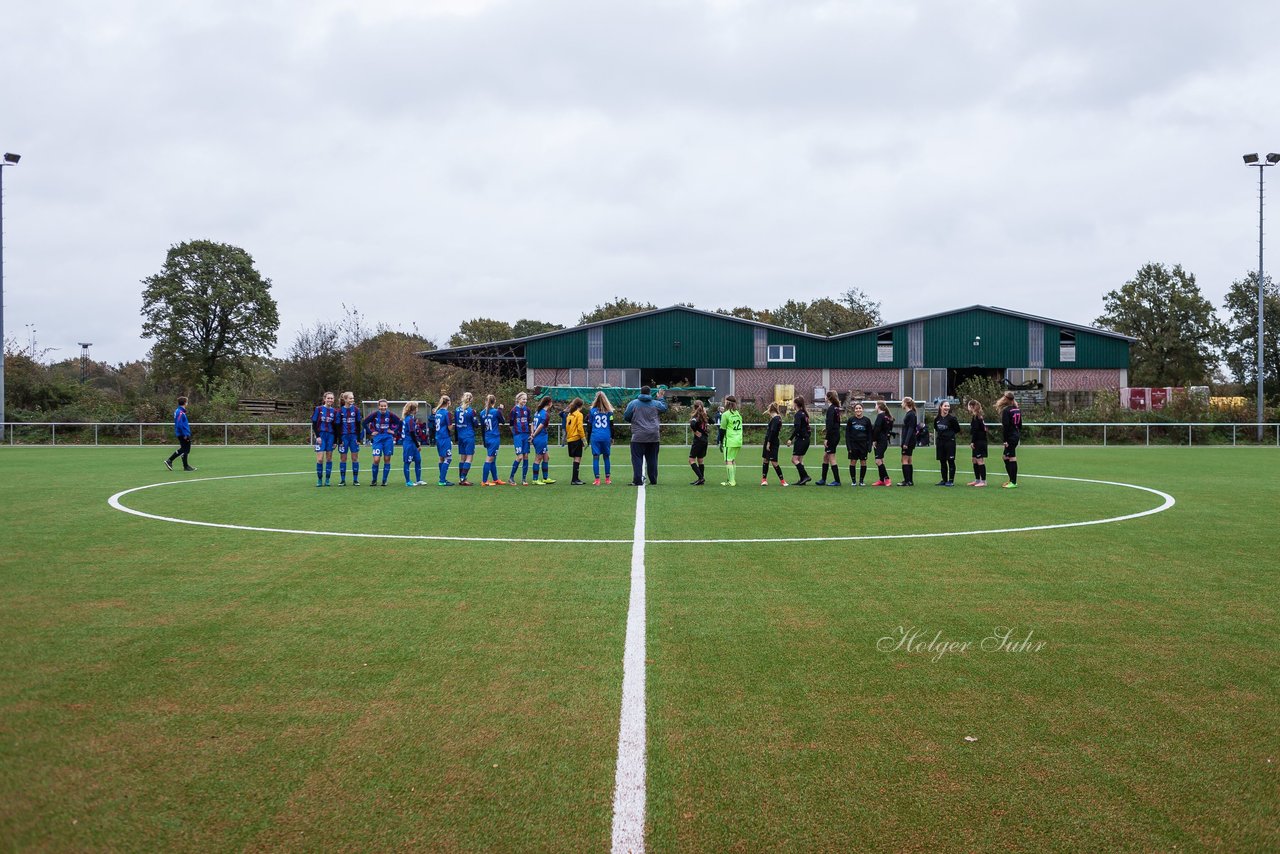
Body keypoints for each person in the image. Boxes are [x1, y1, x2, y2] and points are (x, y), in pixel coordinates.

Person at [623, 386, 667, 485]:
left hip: (638, 436)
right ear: (650, 393)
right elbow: (664, 408)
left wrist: (634, 421)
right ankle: (653, 479)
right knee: (652, 459)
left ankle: (637, 480)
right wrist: (660, 397)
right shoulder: (656, 403)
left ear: (641, 392)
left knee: (637, 458)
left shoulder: (633, 403)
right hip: (653, 435)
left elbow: (626, 416)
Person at [362, 399, 401, 486]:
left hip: (388, 439)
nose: (383, 407)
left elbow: (400, 422)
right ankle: (374, 480)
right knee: (376, 459)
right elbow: (364, 422)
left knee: (387, 459)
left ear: (387, 406)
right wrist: (370, 432)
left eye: (385, 406)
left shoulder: (390, 415)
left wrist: (394, 431)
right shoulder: (375, 414)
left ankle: (384, 480)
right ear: (378, 406)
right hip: (377, 439)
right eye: (381, 406)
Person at [311, 391, 339, 487]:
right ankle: (319, 479)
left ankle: (327, 479)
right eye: (328, 398)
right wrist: (318, 436)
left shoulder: (335, 412)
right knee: (320, 459)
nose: (330, 400)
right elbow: (314, 424)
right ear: (324, 399)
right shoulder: (318, 409)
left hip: (330, 436)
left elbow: (336, 427)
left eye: (331, 398)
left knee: (329, 458)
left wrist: (335, 441)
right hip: (321, 436)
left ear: (333, 400)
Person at [336, 391, 363, 486]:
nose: (352, 400)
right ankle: (342, 480)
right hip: (344, 437)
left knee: (355, 458)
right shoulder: (339, 411)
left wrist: (359, 438)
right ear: (345, 399)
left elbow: (358, 425)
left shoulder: (356, 410)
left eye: (353, 398)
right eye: (350, 398)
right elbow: (338, 426)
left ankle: (355, 480)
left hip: (353, 437)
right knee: (343, 458)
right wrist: (339, 440)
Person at [588, 391, 614, 485]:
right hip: (606, 436)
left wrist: (588, 439)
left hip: (595, 436)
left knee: (596, 457)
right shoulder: (609, 412)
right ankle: (607, 479)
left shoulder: (592, 411)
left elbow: (590, 426)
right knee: (606, 457)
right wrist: (612, 437)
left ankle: (597, 480)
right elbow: (611, 425)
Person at [164, 396, 196, 472]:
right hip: (183, 434)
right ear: (185, 403)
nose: (187, 403)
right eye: (187, 402)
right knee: (185, 449)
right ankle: (170, 460)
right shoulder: (180, 412)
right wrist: (185, 434)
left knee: (185, 450)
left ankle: (185, 466)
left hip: (182, 433)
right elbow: (179, 424)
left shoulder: (179, 411)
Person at [997, 391, 1022, 489]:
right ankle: (1011, 480)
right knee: (1005, 457)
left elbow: (1006, 427)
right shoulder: (1017, 410)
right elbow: (1020, 425)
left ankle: (1013, 482)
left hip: (1010, 437)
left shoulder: (1006, 411)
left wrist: (1005, 440)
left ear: (1006, 399)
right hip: (1015, 435)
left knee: (1011, 457)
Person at [480, 394, 506, 485]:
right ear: (494, 402)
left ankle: (495, 479)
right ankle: (484, 481)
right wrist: (501, 410)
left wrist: (484, 440)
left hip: (487, 437)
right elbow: (503, 421)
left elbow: (482, 428)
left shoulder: (482, 413)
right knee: (489, 459)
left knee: (493, 458)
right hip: (494, 438)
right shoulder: (496, 411)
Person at [933, 400, 961, 486]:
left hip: (950, 443)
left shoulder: (952, 419)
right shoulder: (937, 419)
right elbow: (936, 428)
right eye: (945, 406)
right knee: (942, 461)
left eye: (948, 406)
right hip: (940, 443)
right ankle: (944, 480)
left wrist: (949, 435)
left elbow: (957, 429)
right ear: (941, 407)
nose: (947, 408)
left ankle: (951, 480)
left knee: (951, 461)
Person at [786, 396, 812, 485]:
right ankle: (802, 479)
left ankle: (805, 476)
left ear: (796, 404)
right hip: (806, 439)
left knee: (794, 459)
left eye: (793, 403)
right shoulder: (804, 413)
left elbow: (797, 428)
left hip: (801, 439)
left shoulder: (798, 414)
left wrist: (790, 439)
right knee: (800, 460)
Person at [845, 401, 872, 486]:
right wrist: (849, 447)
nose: (858, 410)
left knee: (863, 462)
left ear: (862, 409)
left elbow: (870, 434)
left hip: (863, 445)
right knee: (853, 462)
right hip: (853, 445)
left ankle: (861, 481)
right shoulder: (851, 420)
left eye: (860, 408)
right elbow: (847, 435)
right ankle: (853, 481)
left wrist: (869, 445)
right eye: (856, 408)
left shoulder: (867, 421)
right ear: (854, 410)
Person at [718, 395, 743, 486]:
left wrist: (720, 441)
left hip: (730, 440)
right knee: (732, 460)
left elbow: (722, 429)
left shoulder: (725, 414)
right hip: (738, 440)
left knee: (728, 460)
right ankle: (731, 479)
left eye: (725, 401)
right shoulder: (738, 414)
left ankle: (731, 481)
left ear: (728, 403)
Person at [454, 392, 479, 486]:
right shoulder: (471, 411)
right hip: (468, 436)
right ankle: (463, 478)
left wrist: (456, 437)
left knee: (462, 458)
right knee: (469, 457)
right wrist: (475, 416)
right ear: (471, 400)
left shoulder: (457, 410)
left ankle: (461, 478)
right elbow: (476, 425)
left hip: (460, 436)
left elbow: (456, 424)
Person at [531, 395, 556, 484]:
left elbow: (532, 424)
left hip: (539, 437)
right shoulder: (545, 414)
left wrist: (532, 433)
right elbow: (541, 426)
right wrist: (533, 435)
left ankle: (545, 478)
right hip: (540, 438)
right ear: (549, 403)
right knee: (538, 458)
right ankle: (535, 479)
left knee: (546, 457)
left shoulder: (538, 412)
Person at [818, 390, 842, 486]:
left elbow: (831, 424)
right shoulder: (836, 408)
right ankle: (823, 479)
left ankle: (837, 480)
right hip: (835, 434)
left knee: (831, 456)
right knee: (825, 456)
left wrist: (827, 438)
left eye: (825, 396)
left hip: (832, 436)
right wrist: (826, 428)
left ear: (828, 398)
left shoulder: (832, 409)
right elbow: (836, 423)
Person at [508, 392, 532, 485]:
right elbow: (510, 424)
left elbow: (529, 422)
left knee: (526, 456)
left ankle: (524, 479)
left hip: (526, 435)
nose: (525, 401)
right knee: (520, 456)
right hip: (518, 435)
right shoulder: (514, 410)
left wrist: (530, 434)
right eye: (523, 399)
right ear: (518, 400)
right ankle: (511, 477)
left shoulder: (527, 410)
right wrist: (515, 434)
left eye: (526, 399)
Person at [761, 402, 787, 486]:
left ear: (771, 409)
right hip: (770, 440)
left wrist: (768, 443)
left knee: (774, 462)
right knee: (766, 459)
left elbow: (773, 432)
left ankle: (782, 481)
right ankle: (764, 480)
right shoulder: (775, 418)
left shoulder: (776, 419)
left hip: (772, 442)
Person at [400, 401, 425, 486]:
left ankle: (418, 480)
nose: (417, 409)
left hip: (412, 443)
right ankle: (408, 481)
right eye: (416, 408)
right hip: (409, 443)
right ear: (413, 409)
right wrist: (417, 445)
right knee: (407, 462)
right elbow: (411, 433)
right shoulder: (409, 419)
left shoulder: (410, 418)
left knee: (418, 460)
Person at [433, 394, 455, 486]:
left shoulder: (437, 412)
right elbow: (450, 428)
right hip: (444, 437)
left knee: (441, 458)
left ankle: (442, 478)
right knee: (448, 458)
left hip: (438, 437)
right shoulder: (447, 413)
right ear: (448, 402)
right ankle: (442, 480)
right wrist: (455, 424)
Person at [871, 400, 895, 486]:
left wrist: (874, 440)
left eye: (875, 405)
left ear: (878, 406)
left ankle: (887, 479)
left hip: (880, 441)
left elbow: (877, 429)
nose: (875, 407)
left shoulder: (880, 416)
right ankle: (881, 480)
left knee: (878, 461)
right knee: (880, 460)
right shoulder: (887, 416)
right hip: (884, 440)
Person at [967, 399, 989, 487]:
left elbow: (976, 431)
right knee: (974, 460)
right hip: (978, 441)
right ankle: (977, 480)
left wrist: (972, 442)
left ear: (971, 406)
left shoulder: (977, 417)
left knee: (980, 460)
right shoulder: (977, 416)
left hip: (980, 441)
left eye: (968, 406)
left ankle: (983, 481)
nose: (967, 408)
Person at [898, 397, 919, 487]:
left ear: (906, 403)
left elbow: (910, 429)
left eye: (902, 402)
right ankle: (909, 481)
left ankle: (907, 481)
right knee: (909, 460)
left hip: (909, 440)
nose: (901, 404)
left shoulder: (910, 414)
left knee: (904, 460)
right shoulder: (911, 414)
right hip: (910, 440)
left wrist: (905, 442)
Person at [688, 399, 709, 485]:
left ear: (694, 407)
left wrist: (696, 431)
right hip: (705, 440)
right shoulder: (704, 417)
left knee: (691, 460)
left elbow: (692, 424)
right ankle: (701, 479)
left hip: (698, 441)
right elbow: (713, 421)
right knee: (700, 459)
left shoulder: (695, 417)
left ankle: (701, 478)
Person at [566, 397, 587, 485]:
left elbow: (567, 427)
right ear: (581, 406)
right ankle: (574, 479)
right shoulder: (579, 414)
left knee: (575, 458)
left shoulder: (570, 414)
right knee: (578, 458)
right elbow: (580, 427)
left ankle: (575, 478)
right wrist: (584, 439)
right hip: (576, 439)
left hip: (570, 438)